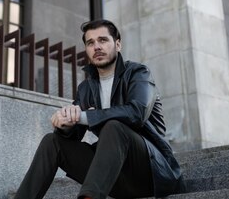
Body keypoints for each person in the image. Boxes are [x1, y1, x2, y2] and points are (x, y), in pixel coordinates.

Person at [14, 19, 185, 199]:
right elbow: (73, 136)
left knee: (114, 127)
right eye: (90, 43)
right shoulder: (86, 88)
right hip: (114, 175)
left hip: (152, 172)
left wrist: (84, 116)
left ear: (117, 44)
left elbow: (137, 113)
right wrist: (65, 124)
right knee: (52, 142)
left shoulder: (138, 73)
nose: (96, 47)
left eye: (103, 40)